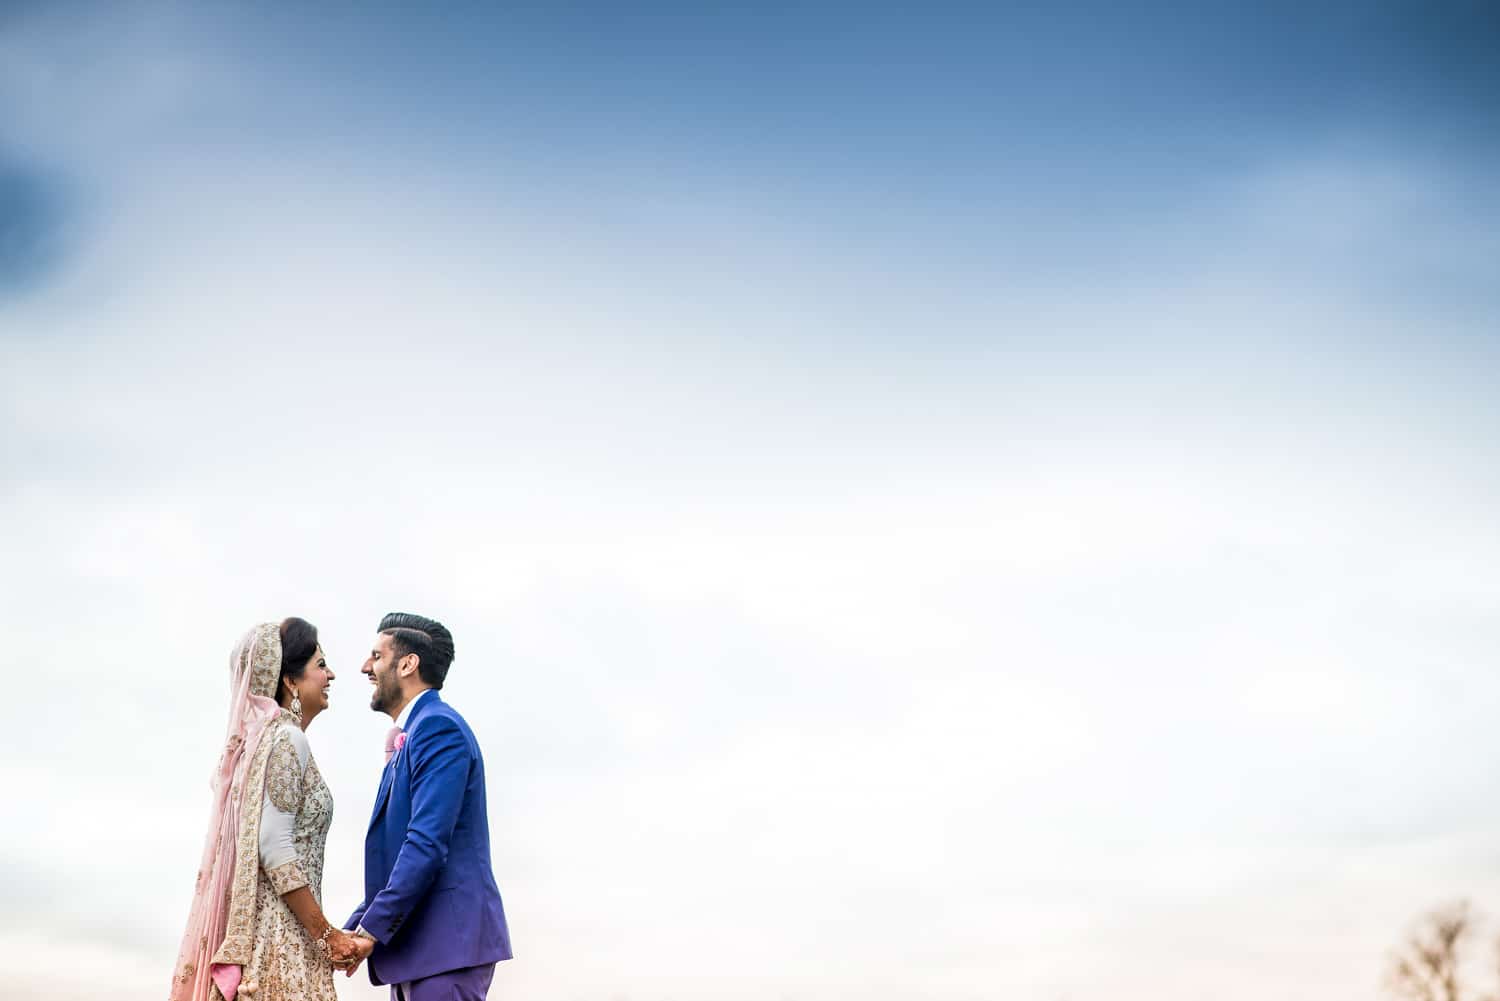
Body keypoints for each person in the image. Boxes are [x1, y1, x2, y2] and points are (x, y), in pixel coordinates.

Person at [169, 619, 364, 1001]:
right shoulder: (287, 738)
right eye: (321, 665)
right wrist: (327, 936)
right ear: (290, 681)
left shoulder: (260, 745)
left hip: (276, 936)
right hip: (281, 942)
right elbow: (275, 851)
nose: (331, 675)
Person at [342, 612, 513, 1000]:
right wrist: (357, 926)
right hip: (421, 951)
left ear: (408, 663)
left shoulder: (439, 729)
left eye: (376, 656)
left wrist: (372, 930)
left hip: (445, 948)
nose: (365, 667)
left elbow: (426, 844)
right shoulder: (415, 732)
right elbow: (402, 856)